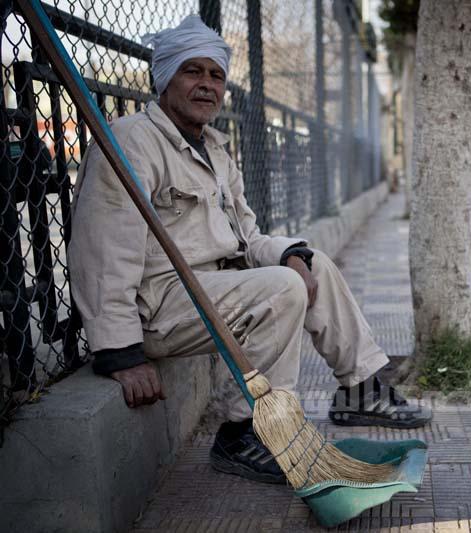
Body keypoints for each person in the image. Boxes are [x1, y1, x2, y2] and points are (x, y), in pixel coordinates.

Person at [67, 15, 431, 485]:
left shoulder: (215, 151)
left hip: (215, 290)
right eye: (191, 72)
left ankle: (362, 388)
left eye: (216, 75)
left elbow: (249, 237)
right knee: (282, 289)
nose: (206, 85)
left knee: (311, 263)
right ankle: (244, 433)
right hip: (161, 306)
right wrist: (120, 352)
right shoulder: (131, 142)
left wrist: (288, 253)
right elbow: (102, 255)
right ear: (165, 78)